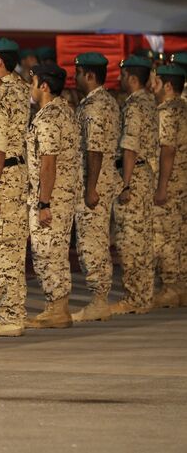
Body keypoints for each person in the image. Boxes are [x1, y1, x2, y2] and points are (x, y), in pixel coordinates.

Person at [0, 38, 31, 338]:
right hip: (12, 171)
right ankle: (13, 313)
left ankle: (11, 316)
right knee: (8, 248)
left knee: (2, 249)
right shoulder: (19, 87)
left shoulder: (7, 92)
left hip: (5, 173)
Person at [23, 64, 80, 329]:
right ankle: (58, 307)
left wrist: (43, 202)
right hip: (63, 193)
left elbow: (48, 162)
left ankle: (57, 310)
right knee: (55, 250)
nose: (30, 87)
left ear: (43, 85)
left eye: (33, 81)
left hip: (52, 195)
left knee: (48, 251)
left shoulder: (47, 118)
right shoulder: (65, 111)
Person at [71, 53, 121, 322]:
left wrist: (90, 188)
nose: (75, 78)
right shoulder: (105, 101)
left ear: (89, 75)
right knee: (97, 238)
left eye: (78, 73)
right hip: (100, 178)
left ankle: (99, 299)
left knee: (92, 241)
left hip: (95, 180)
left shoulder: (95, 106)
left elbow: (94, 150)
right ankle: (99, 297)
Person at [111, 55, 157, 315]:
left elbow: (129, 148)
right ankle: (143, 295)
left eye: (122, 74)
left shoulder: (134, 106)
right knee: (143, 237)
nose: (119, 79)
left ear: (132, 77)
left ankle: (134, 297)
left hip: (134, 174)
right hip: (145, 172)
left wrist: (125, 184)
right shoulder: (150, 102)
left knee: (130, 240)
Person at [149, 64, 187, 307]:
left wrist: (161, 187)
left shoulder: (166, 112)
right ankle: (181, 287)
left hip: (170, 182)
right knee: (181, 234)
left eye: (156, 82)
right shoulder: (184, 108)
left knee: (165, 236)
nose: (153, 87)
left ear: (168, 85)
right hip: (182, 181)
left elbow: (168, 151)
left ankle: (172, 287)